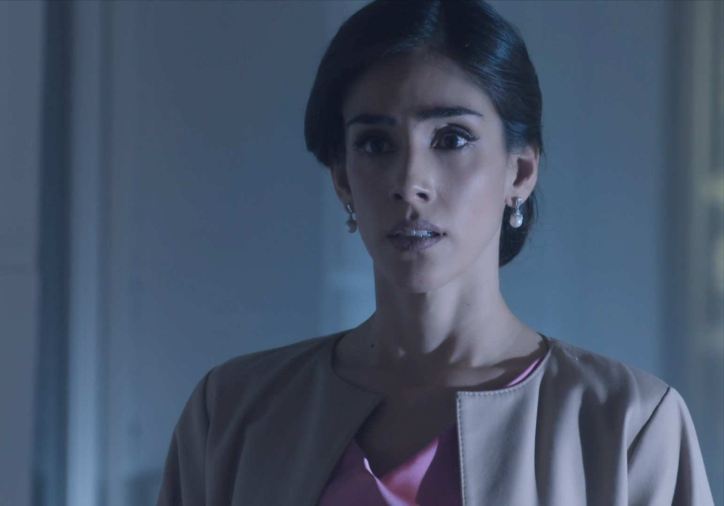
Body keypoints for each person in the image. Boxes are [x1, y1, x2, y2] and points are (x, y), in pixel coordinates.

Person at [157, 0, 714, 504]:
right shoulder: (232, 413)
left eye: (451, 139)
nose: (410, 182)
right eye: (376, 144)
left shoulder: (627, 424)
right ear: (343, 178)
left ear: (520, 170)